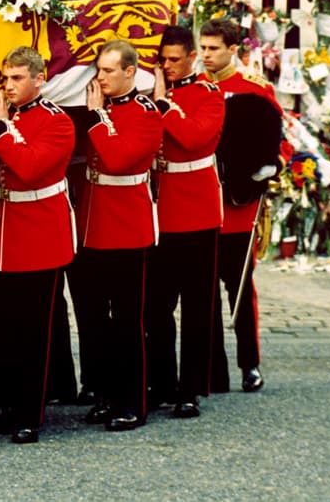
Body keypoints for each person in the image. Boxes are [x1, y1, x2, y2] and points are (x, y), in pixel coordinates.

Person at [0, 46, 76, 444]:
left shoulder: (58, 121)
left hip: (40, 233)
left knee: (34, 331)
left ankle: (30, 414)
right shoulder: (6, 118)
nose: (9, 86)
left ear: (39, 79)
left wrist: (0, 130)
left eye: (18, 79)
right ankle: (7, 398)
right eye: (7, 78)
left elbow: (30, 167)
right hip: (3, 231)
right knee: (1, 326)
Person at [71, 39, 162, 432]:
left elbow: (120, 159)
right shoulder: (100, 107)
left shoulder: (146, 111)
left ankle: (133, 401)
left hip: (126, 226)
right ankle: (106, 393)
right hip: (93, 223)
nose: (101, 77)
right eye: (99, 70)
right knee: (94, 318)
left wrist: (95, 119)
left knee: (127, 321)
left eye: (109, 71)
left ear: (130, 72)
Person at [145, 25, 226, 419]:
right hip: (160, 209)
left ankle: (192, 387)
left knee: (197, 306)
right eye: (163, 60)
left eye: (174, 60)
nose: (167, 66)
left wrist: (164, 106)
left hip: (196, 209)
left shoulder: (208, 94)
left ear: (192, 57)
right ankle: (162, 382)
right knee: (156, 305)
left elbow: (194, 138)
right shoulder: (156, 95)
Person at [199, 17, 280, 395]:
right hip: (199, 204)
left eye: (214, 49)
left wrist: (266, 170)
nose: (206, 55)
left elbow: (277, 142)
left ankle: (249, 364)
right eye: (203, 48)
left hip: (237, 206)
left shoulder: (254, 89)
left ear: (233, 49)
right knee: (204, 294)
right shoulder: (196, 88)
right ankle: (212, 368)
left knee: (241, 290)